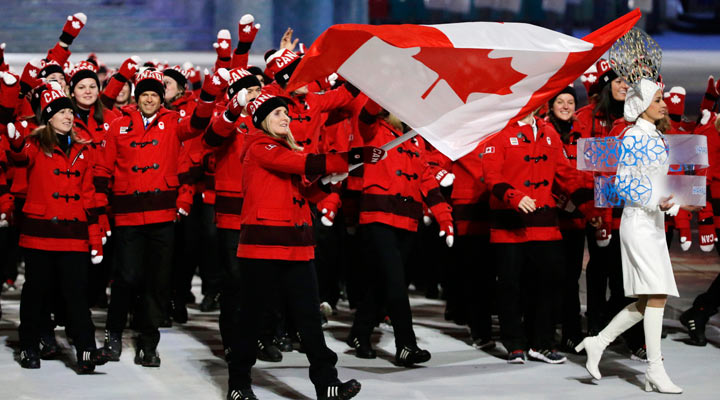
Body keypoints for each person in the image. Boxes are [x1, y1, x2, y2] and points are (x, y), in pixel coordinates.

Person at [223, 91, 381, 400]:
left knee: (309, 318)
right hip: (263, 247)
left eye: (286, 113)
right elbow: (303, 163)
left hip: (297, 245)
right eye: (276, 114)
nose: (285, 118)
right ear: (261, 121)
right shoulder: (260, 146)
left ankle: (327, 384)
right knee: (253, 319)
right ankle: (238, 385)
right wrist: (354, 157)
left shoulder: (285, 149)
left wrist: (332, 179)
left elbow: (306, 194)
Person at [97, 68, 226, 367]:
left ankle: (148, 342)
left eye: (155, 94)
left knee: (157, 281)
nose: (150, 100)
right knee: (126, 277)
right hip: (127, 215)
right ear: (138, 97)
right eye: (145, 94)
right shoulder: (118, 126)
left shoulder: (174, 123)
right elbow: (103, 169)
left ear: (161, 98)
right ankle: (113, 333)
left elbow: (198, 124)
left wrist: (208, 93)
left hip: (162, 217)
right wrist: (102, 210)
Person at [575, 79, 687, 394]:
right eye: (657, 100)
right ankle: (655, 368)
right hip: (638, 223)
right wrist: (656, 200)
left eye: (663, 99)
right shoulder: (635, 136)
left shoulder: (654, 136)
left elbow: (657, 182)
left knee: (646, 299)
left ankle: (598, 342)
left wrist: (670, 200)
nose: (664, 104)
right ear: (641, 105)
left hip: (650, 221)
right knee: (657, 294)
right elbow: (623, 185)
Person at [7, 83, 107, 373]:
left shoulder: (83, 150)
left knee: (77, 294)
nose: (68, 116)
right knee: (36, 293)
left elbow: (88, 196)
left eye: (69, 112)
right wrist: (14, 140)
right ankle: (28, 346)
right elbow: (18, 156)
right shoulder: (34, 144)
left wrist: (95, 236)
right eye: (61, 112)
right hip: (39, 234)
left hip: (73, 235)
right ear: (48, 117)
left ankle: (86, 350)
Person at [482, 108, 592, 364]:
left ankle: (541, 344)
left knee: (549, 284)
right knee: (510, 286)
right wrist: (515, 196)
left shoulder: (549, 133)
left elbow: (567, 175)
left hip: (544, 224)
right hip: (510, 224)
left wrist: (590, 210)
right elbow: (491, 175)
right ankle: (515, 344)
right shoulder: (499, 131)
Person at [546, 86, 587, 351]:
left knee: (571, 279)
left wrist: (581, 203)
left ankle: (572, 334)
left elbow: (588, 171)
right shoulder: (543, 131)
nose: (565, 106)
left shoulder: (582, 133)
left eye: (570, 101)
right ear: (551, 106)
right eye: (559, 101)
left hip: (576, 220)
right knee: (547, 278)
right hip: (548, 220)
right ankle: (544, 333)